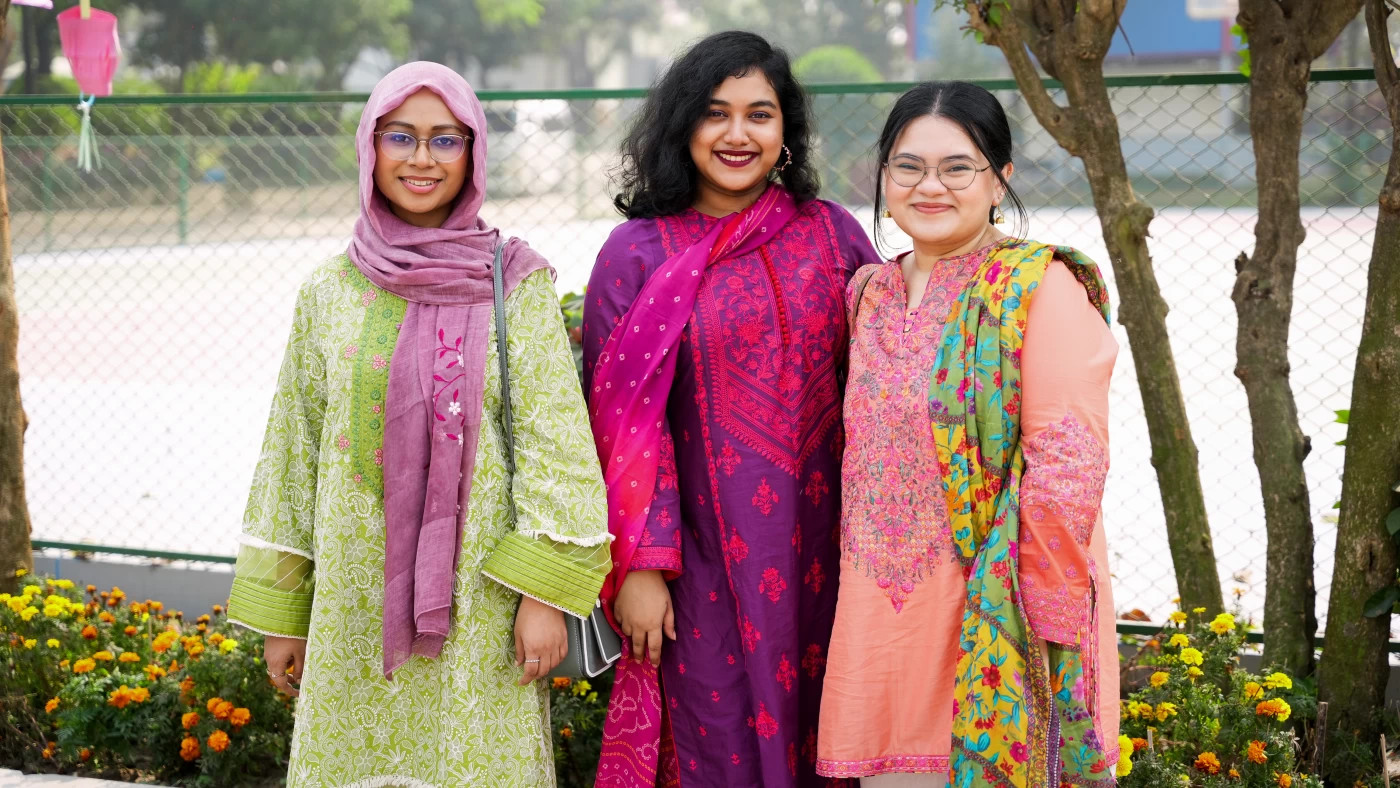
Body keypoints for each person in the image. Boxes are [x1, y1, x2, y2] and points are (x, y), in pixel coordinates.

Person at [225, 61, 610, 787]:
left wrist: (543, 596)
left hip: (481, 603)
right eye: (400, 136)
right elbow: (291, 454)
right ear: (370, 147)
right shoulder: (329, 290)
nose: (422, 158)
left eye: (445, 139)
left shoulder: (514, 284)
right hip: (352, 605)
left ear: (473, 152)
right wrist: (286, 614)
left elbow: (556, 445)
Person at [582, 31, 880, 788]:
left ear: (786, 131)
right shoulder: (637, 253)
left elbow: (889, 380)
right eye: (716, 113)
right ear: (683, 125)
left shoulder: (833, 234)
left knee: (831, 740)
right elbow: (622, 427)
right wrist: (640, 569)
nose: (737, 134)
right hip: (698, 565)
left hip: (831, 555)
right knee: (713, 745)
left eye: (759, 114)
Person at [816, 81, 1121, 788]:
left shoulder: (1040, 285)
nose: (930, 186)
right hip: (878, 618)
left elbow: (1068, 458)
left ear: (1000, 178)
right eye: (908, 166)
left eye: (957, 167)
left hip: (1000, 616)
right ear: (884, 176)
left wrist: (1041, 623)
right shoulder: (867, 293)